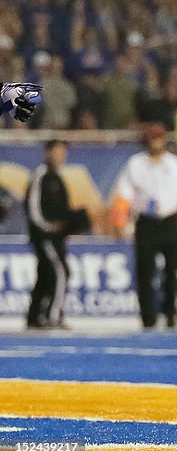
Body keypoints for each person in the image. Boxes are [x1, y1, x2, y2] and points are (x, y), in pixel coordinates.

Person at [110, 123, 177, 330]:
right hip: (147, 223)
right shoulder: (135, 164)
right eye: (152, 137)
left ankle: (170, 313)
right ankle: (148, 317)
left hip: (169, 221)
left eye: (159, 137)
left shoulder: (174, 164)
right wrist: (120, 223)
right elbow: (123, 196)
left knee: (172, 271)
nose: (156, 141)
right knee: (145, 272)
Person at [26, 140, 78, 329]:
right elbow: (33, 208)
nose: (61, 156)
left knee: (45, 275)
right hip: (45, 236)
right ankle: (53, 315)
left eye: (63, 152)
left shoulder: (57, 177)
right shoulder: (41, 175)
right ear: (47, 153)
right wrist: (48, 227)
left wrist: (69, 225)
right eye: (57, 151)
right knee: (60, 272)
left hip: (57, 236)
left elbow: (61, 209)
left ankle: (34, 316)